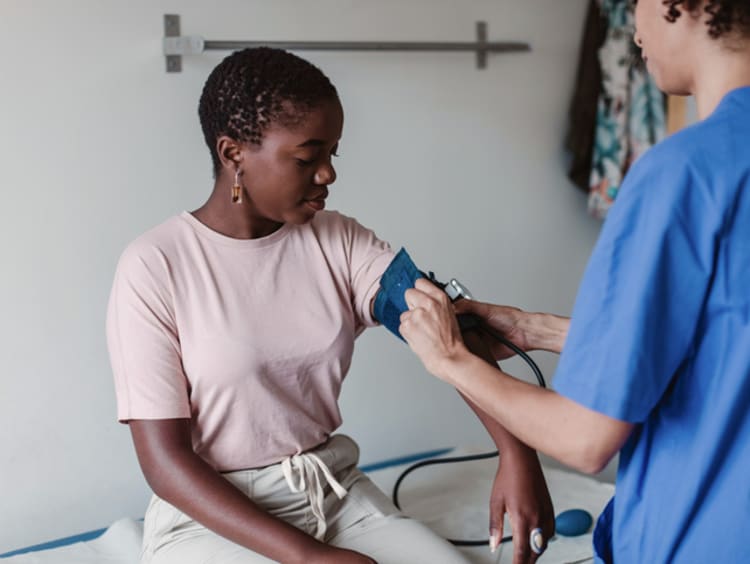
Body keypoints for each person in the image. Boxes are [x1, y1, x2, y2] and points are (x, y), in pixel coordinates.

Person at [106, 47, 553, 564]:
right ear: (233, 155)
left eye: (333, 154)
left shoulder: (339, 240)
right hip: (211, 519)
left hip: (332, 494)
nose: (327, 175)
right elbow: (165, 463)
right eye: (306, 158)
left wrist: (517, 454)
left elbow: (446, 330)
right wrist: (306, 556)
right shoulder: (154, 265)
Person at [399, 0, 750, 562]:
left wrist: (450, 360)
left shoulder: (682, 176)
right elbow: (724, 337)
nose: (632, 24)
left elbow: (585, 440)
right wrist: (536, 329)